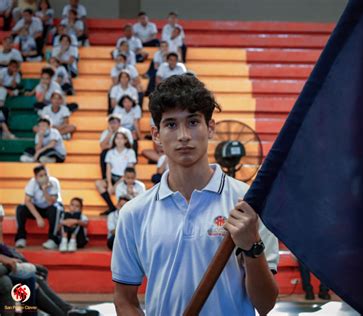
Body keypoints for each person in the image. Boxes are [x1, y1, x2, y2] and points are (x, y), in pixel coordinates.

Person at [112, 74, 280, 315]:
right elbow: (124, 300)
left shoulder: (248, 206)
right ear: (156, 135)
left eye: (192, 122)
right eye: (171, 124)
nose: (183, 135)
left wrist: (251, 245)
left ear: (210, 128)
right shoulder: (134, 213)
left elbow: (265, 304)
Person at [15, 165, 63, 249]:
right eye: (41, 175)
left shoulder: (54, 182)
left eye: (46, 174)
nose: (44, 177)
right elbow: (27, 201)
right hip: (37, 207)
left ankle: (53, 239)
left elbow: (51, 202)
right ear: (36, 177)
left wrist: (44, 189)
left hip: (50, 207)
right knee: (20, 208)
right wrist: (38, 218)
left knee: (56, 209)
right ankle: (21, 238)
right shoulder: (32, 183)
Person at [96, 129, 136, 215]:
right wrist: (110, 184)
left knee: (126, 187)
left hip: (124, 178)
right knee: (99, 184)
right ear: (114, 140)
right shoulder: (110, 152)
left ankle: (126, 211)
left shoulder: (130, 152)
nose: (119, 140)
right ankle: (111, 207)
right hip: (113, 176)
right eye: (117, 138)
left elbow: (128, 172)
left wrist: (115, 186)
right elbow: (108, 169)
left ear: (126, 140)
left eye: (122, 138)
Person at [98, 114, 134, 180]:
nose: (112, 125)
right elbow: (102, 147)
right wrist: (110, 133)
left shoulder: (126, 131)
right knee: (104, 154)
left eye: (114, 122)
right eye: (110, 123)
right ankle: (105, 178)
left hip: (124, 151)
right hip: (112, 152)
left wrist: (112, 146)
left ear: (119, 123)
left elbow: (130, 145)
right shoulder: (106, 132)